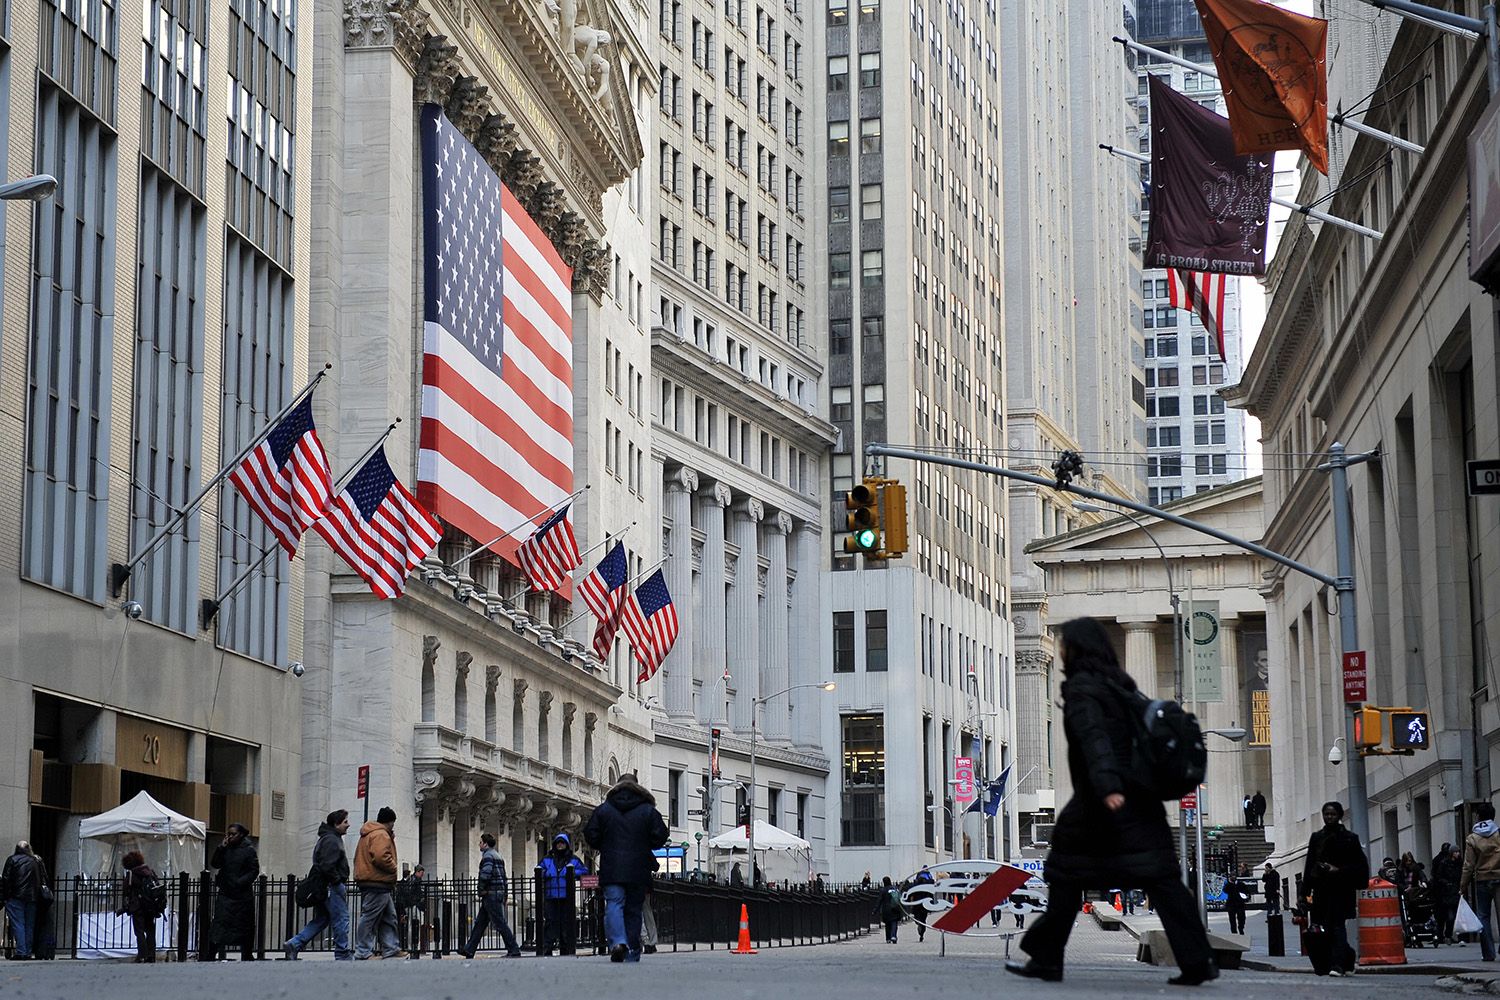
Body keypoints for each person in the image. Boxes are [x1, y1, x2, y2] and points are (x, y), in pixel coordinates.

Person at [1005, 618, 1216, 987]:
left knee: (1065, 877)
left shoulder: (1084, 691)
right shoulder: (1119, 685)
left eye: (1064, 643)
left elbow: (1095, 740)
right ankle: (1198, 961)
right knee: (1162, 882)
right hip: (1137, 799)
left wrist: (1106, 787)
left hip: (1102, 803)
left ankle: (1046, 958)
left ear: (1078, 649)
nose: (1060, 650)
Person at [583, 772, 669, 963]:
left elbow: (591, 834)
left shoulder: (604, 810)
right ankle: (632, 950)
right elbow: (660, 836)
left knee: (614, 903)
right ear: (637, 788)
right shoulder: (647, 810)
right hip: (638, 868)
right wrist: (646, 843)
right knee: (633, 909)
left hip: (612, 866)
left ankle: (617, 942)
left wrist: (605, 844)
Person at [1302, 800, 1369, 976]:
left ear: (1339, 816)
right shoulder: (1316, 838)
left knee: (1338, 926)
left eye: (1332, 814)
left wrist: (1338, 870)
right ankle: (1347, 957)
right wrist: (1305, 893)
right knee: (1325, 928)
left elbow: (1361, 868)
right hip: (1321, 890)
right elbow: (1309, 865)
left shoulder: (1350, 839)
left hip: (1341, 890)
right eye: (1326, 814)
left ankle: (1338, 965)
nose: (1329, 817)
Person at [285, 809, 352, 960]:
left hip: (324, 886)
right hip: (331, 886)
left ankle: (296, 943)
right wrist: (337, 881)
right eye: (345, 822)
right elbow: (327, 865)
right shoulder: (332, 840)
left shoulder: (327, 838)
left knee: (323, 918)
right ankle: (342, 953)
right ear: (336, 824)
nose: (348, 825)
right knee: (341, 918)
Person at [354, 806, 404, 960]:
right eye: (393, 823)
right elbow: (381, 856)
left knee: (389, 917)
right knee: (370, 917)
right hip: (377, 881)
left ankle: (391, 948)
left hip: (376, 881)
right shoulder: (381, 834)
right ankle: (363, 950)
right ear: (389, 822)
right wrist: (394, 867)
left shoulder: (371, 833)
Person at [461, 833, 522, 959]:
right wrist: (504, 894)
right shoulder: (498, 856)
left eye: (480, 842)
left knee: (500, 923)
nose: (479, 844)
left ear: (485, 843)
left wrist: (481, 889)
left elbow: (486, 873)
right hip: (497, 893)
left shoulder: (488, 856)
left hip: (490, 894)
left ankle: (514, 949)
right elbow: (504, 878)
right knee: (480, 923)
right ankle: (469, 949)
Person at [206, 823, 259, 961]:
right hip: (226, 892)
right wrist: (220, 848)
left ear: (241, 834)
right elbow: (215, 864)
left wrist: (240, 882)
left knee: (244, 925)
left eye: (233, 834)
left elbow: (254, 870)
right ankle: (211, 953)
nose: (229, 837)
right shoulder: (225, 848)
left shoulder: (249, 850)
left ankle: (247, 953)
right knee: (219, 923)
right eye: (228, 834)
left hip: (242, 895)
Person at [537, 833, 588, 956]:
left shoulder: (573, 859)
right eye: (558, 843)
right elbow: (538, 870)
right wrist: (546, 873)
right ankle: (547, 947)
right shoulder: (547, 858)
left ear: (566, 845)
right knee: (550, 922)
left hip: (566, 896)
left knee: (566, 922)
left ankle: (566, 947)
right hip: (551, 895)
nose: (560, 845)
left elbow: (585, 870)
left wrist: (572, 873)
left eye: (562, 843)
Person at [1461, 801, 1500, 961]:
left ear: (1478, 818)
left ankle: (1488, 953)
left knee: (1483, 916)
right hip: (1499, 878)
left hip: (1482, 880)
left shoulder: (1472, 838)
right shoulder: (1499, 834)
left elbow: (1468, 864)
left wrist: (1463, 885)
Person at [0, 841, 46, 960]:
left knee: (18, 924)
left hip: (16, 896)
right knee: (29, 925)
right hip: (32, 897)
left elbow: (5, 879)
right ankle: (27, 951)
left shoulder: (12, 860)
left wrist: (5, 896)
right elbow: (42, 878)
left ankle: (21, 951)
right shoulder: (35, 861)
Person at [117, 851, 160, 963]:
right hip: (150, 906)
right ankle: (151, 955)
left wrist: (127, 905)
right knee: (150, 931)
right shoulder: (150, 872)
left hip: (138, 907)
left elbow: (126, 891)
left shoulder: (132, 875)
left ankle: (142, 955)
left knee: (139, 931)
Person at [1432, 845, 1462, 944]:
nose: (1458, 854)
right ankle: (1447, 935)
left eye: (1458, 852)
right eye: (1456, 852)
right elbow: (1438, 876)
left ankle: (1449, 935)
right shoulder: (1444, 863)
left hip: (1456, 891)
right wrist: (1446, 883)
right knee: (1449, 916)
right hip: (1447, 893)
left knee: (1454, 915)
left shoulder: (1459, 863)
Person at [874, 876, 903, 943]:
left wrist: (875, 910)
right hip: (895, 908)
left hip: (886, 910)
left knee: (888, 924)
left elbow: (879, 901)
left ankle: (888, 938)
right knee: (894, 923)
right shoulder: (895, 888)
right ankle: (893, 936)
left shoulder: (883, 890)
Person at [1224, 864, 1251, 935]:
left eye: (1234, 876)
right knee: (1232, 919)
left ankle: (1241, 928)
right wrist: (1230, 883)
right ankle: (1234, 931)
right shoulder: (1228, 885)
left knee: (1242, 917)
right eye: (1232, 876)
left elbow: (1247, 891)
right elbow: (1225, 890)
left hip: (1240, 904)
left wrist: (1246, 897)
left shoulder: (1240, 884)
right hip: (1231, 904)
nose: (1234, 877)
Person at [910, 868, 935, 941]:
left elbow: (911, 895)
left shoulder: (915, 888)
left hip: (917, 905)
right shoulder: (927, 888)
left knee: (918, 918)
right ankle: (922, 932)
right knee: (923, 919)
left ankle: (920, 926)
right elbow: (931, 896)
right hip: (925, 905)